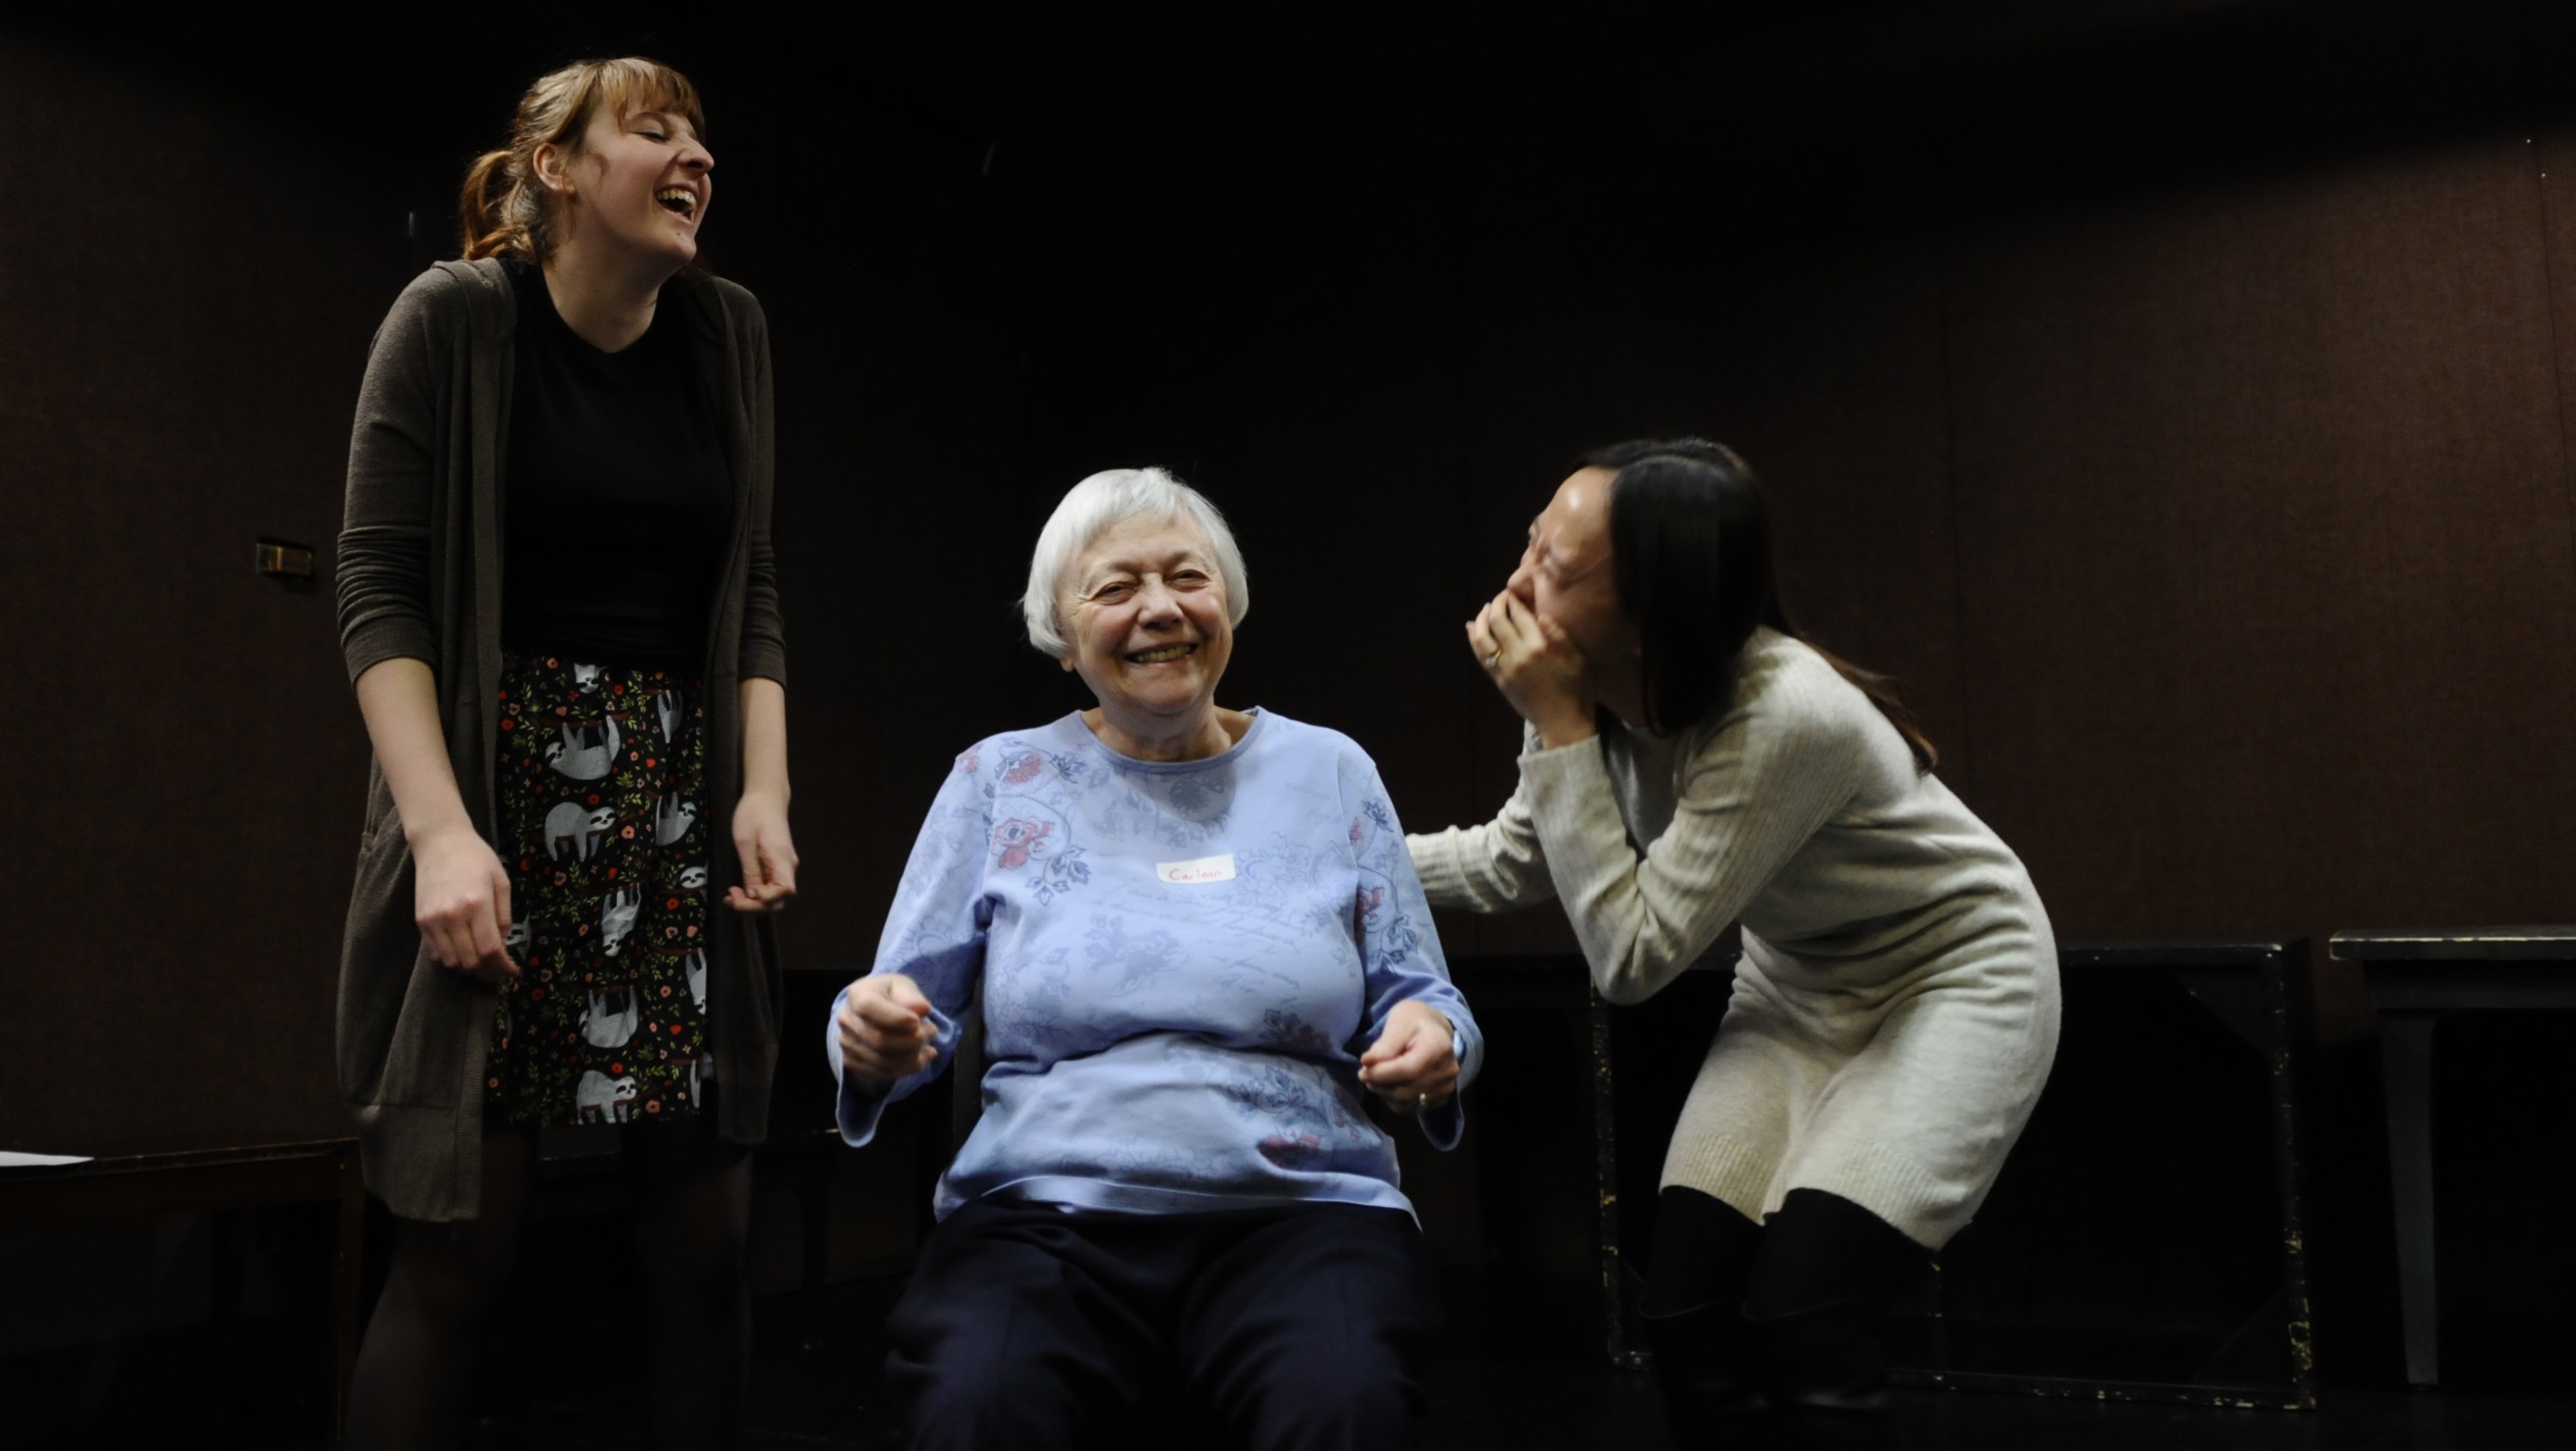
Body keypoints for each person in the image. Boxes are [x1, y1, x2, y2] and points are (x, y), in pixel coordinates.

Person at [1407, 439, 2059, 1448]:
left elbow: (1633, 961)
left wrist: (1560, 728)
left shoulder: (1778, 713)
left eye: (1558, 570)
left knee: (1807, 1309)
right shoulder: (1580, 698)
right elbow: (1514, 861)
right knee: (1686, 1314)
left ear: (1656, 605)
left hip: (1955, 976)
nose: (1518, 585)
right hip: (1800, 985)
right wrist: (1329, 854)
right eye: (1532, 546)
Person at [333, 57, 795, 1451]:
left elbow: (754, 582)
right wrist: (438, 833)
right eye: (653, 130)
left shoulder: (728, 334)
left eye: (702, 135)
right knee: (459, 1252)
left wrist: (764, 787)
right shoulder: (458, 320)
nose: (693, 155)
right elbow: (375, 587)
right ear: (556, 167)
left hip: (674, 806)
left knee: (705, 1245)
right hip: (497, 797)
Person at [831, 467, 1481, 1451]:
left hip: (1302, 1208)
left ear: (1229, 602)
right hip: (1046, 1209)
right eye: (1116, 587)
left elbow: (1422, 995)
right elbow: (899, 1002)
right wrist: (871, 1035)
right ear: (1061, 633)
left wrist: (1435, 1040)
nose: (1161, 610)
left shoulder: (1331, 770)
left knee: (1344, 1405)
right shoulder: (999, 778)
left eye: (1188, 577)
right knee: (978, 1400)